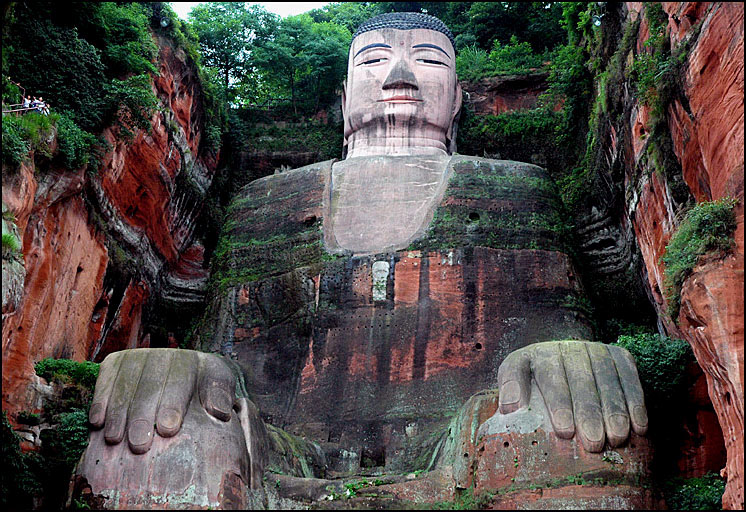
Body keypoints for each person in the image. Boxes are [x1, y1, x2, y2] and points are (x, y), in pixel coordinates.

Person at [75, 12, 649, 509]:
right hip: (278, 452)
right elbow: (223, 357)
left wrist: (571, 358)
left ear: (456, 101)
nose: (399, 76)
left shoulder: (514, 189)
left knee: (569, 428)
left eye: (426, 61)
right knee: (160, 439)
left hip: (469, 439)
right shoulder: (266, 203)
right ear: (345, 99)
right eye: (375, 60)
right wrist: (182, 370)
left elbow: (552, 338)